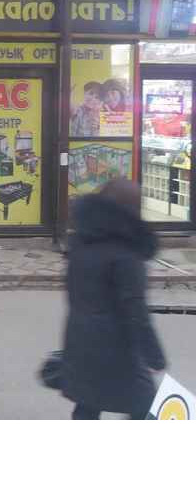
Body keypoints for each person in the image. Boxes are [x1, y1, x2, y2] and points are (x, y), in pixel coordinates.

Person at [62, 178, 166, 419]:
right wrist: (154, 356)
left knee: (87, 404)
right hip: (117, 349)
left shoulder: (81, 242)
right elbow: (136, 311)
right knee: (144, 407)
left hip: (80, 341)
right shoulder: (126, 255)